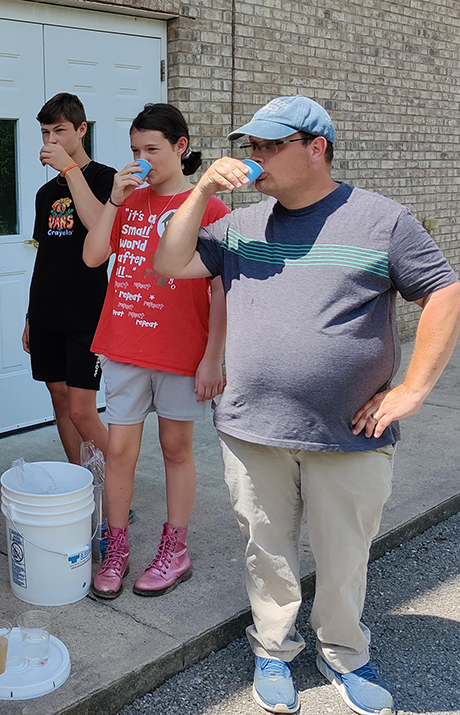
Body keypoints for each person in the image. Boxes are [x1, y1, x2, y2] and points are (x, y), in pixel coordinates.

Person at [155, 95, 460, 715]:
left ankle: (344, 652)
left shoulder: (383, 221)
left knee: (344, 554)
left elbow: (444, 292)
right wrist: (200, 188)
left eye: (270, 146)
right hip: (251, 427)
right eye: (251, 147)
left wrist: (413, 390)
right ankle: (273, 647)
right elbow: (170, 259)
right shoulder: (241, 226)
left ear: (316, 149)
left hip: (348, 432)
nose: (254, 158)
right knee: (265, 549)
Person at [83, 103, 228, 600]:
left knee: (175, 448)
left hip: (181, 350)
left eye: (152, 149)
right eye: (134, 150)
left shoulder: (207, 206)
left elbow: (220, 288)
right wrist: (113, 201)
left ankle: (175, 549)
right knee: (119, 449)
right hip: (125, 343)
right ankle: (116, 547)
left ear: (180, 147)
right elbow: (93, 255)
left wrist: (213, 357)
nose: (142, 159)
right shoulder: (129, 200)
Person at [23, 93, 115, 464]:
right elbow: (44, 257)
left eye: (59, 131)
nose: (51, 141)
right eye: (45, 133)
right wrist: (30, 316)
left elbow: (101, 231)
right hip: (47, 312)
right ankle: (80, 483)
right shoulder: (45, 193)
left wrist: (71, 171)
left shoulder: (105, 179)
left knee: (81, 409)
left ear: (81, 130)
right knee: (59, 399)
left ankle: (118, 483)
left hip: (87, 314)